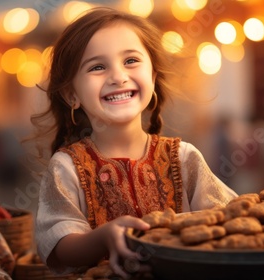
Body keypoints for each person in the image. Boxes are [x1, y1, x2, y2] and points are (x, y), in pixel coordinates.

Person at [32, 7, 238, 278]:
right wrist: (101, 238)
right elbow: (57, 246)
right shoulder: (67, 166)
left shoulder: (184, 157)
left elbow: (229, 218)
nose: (118, 76)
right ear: (72, 95)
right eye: (97, 67)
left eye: (130, 61)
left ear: (152, 76)